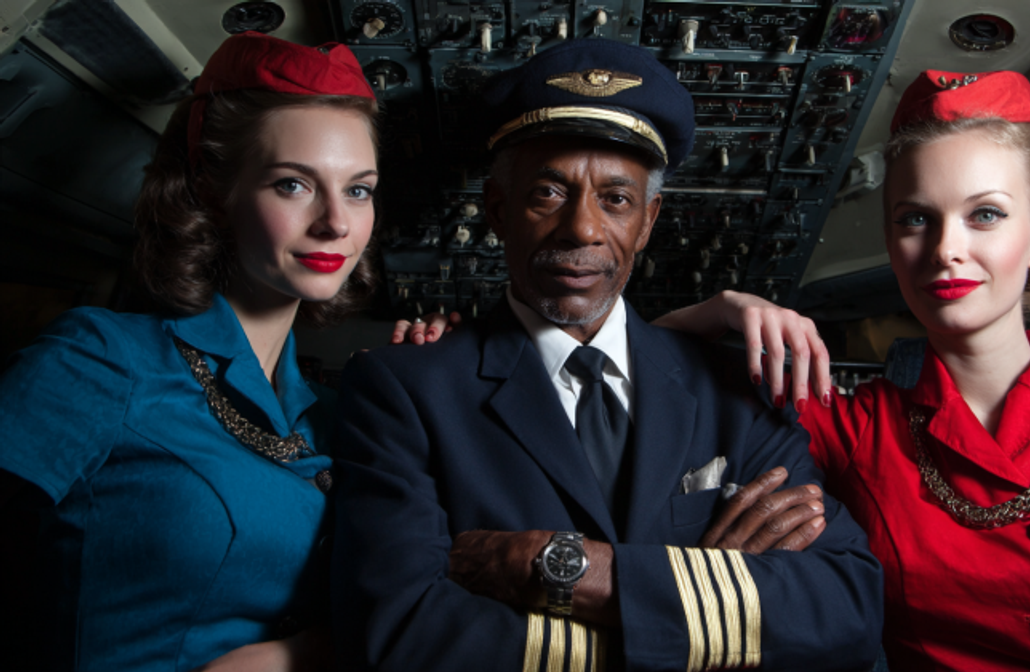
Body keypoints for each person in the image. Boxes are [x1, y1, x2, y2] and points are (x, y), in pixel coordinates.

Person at [606, 69, 1030, 671]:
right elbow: (635, 369)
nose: (945, 248)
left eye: (985, 215)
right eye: (916, 219)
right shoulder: (848, 427)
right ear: (892, 246)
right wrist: (726, 307)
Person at [331, 39, 883, 671]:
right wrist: (695, 615)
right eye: (548, 193)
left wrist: (564, 568)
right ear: (497, 211)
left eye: (615, 200)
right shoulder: (402, 390)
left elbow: (847, 609)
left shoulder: (736, 387)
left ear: (647, 223)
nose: (583, 230)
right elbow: (399, 637)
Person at [0, 32, 379, 671]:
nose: (336, 222)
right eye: (293, 185)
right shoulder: (102, 360)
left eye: (359, 190)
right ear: (212, 190)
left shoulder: (331, 416)